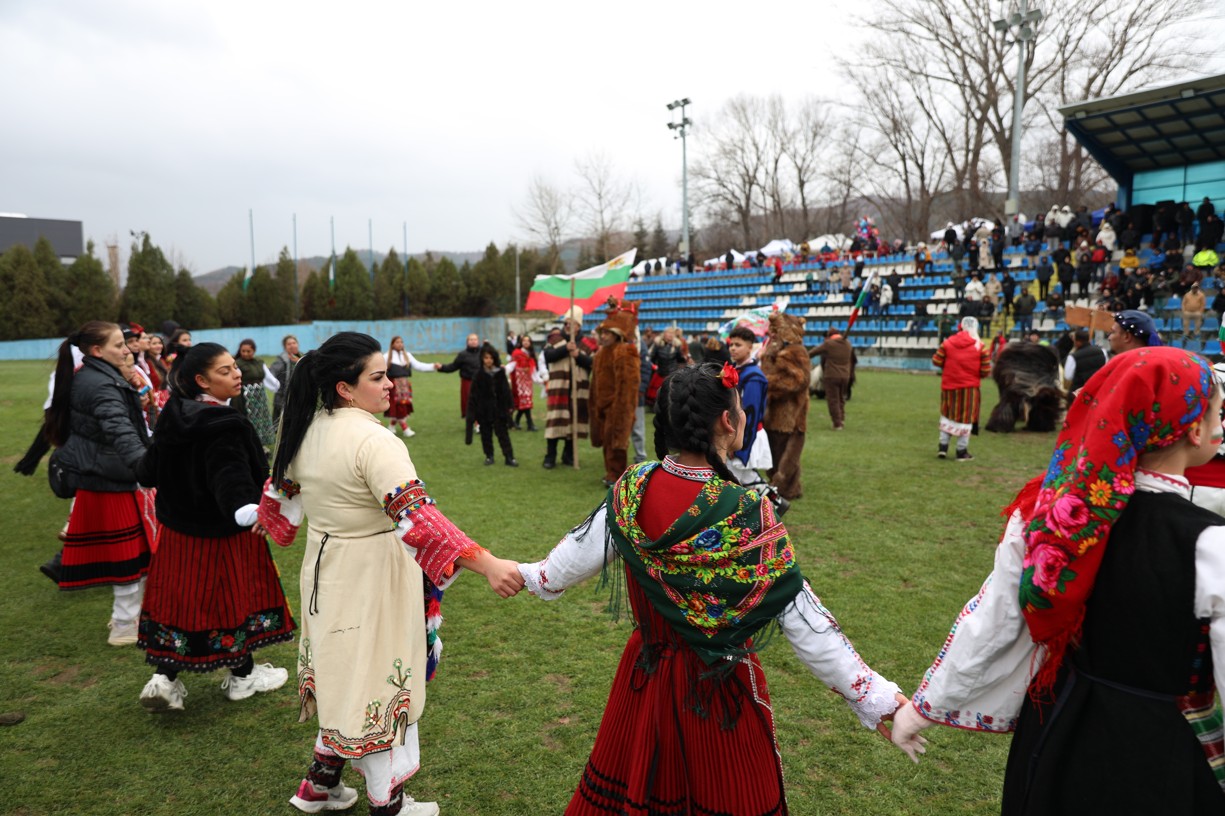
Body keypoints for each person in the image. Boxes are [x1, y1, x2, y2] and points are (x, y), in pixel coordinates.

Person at [516, 363, 907, 815]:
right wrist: (874, 696)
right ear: (727, 420)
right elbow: (804, 620)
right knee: (729, 794)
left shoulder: (631, 489)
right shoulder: (746, 512)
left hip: (644, 677)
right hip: (717, 689)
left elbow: (557, 570)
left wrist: (519, 573)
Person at [891, 347, 1225, 813]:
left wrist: (921, 709)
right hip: (1157, 748)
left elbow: (993, 623)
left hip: (1055, 729)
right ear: (1194, 429)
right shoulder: (1211, 544)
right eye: (1217, 412)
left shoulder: (1045, 515)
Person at [261, 332, 523, 816]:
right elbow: (417, 517)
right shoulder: (374, 440)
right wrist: (487, 563)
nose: (390, 384)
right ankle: (390, 804)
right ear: (344, 388)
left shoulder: (305, 428)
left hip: (325, 568)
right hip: (371, 574)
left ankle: (320, 784)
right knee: (377, 683)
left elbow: (279, 503)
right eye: (378, 377)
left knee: (345, 674)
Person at [135, 343, 295, 712]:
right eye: (225, 371)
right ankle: (242, 677)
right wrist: (248, 510)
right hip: (221, 532)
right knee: (229, 601)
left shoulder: (174, 413)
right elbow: (230, 477)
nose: (236, 374)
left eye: (234, 366)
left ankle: (166, 678)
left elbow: (147, 471)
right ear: (202, 381)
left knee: (181, 601)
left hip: (178, 533)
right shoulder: (225, 424)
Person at [42, 321, 154, 646]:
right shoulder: (101, 384)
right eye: (118, 345)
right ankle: (124, 625)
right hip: (111, 478)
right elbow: (118, 428)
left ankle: (133, 618)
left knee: (136, 555)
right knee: (127, 557)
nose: (126, 349)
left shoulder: (96, 376)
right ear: (96, 350)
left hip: (109, 473)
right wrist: (143, 465)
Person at [588, 300, 640, 487]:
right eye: (602, 332)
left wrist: (621, 411)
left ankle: (616, 475)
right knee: (606, 442)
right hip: (602, 405)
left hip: (616, 406)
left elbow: (627, 387)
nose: (603, 336)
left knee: (616, 442)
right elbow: (596, 381)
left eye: (607, 333)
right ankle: (610, 472)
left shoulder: (624, 351)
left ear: (616, 334)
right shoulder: (601, 353)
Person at [760, 312, 810, 500]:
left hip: (790, 413)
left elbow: (799, 381)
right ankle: (789, 488)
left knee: (785, 453)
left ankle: (784, 488)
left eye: (776, 330)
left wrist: (768, 382)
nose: (772, 334)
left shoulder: (795, 351)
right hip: (773, 411)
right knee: (774, 451)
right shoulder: (775, 350)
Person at [932, 316, 991, 461]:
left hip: (949, 386)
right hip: (969, 388)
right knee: (966, 418)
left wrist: (949, 366)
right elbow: (985, 371)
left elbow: (936, 360)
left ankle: (943, 447)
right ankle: (961, 451)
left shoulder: (947, 342)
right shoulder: (980, 346)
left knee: (947, 414)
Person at [543, 308, 591, 469]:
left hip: (578, 389)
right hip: (559, 388)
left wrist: (578, 355)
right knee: (555, 420)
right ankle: (550, 456)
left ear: (578, 326)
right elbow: (548, 356)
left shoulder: (586, 343)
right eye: (566, 323)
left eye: (571, 323)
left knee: (574, 423)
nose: (568, 326)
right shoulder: (555, 339)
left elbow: (592, 364)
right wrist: (565, 349)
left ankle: (568, 455)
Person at [467, 344, 518, 467]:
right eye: (486, 358)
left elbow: (506, 391)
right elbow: (473, 395)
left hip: (499, 409)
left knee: (503, 434)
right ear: (482, 359)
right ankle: (489, 456)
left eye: (491, 358)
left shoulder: (500, 372)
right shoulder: (478, 375)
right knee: (486, 434)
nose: (488, 360)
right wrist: (473, 412)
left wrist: (510, 406)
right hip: (484, 410)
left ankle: (509, 457)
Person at [231, 339, 280, 448]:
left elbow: (267, 377)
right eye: (243, 351)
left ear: (254, 351)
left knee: (260, 419)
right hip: (244, 397)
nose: (245, 353)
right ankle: (249, 443)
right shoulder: (237, 364)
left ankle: (261, 444)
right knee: (248, 419)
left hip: (259, 396)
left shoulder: (259, 362)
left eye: (248, 351)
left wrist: (277, 386)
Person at [435, 334, 482, 441]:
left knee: (482, 403)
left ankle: (480, 423)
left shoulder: (483, 353)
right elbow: (453, 366)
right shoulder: (462, 355)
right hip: (467, 382)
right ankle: (475, 423)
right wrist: (441, 367)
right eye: (471, 339)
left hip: (481, 382)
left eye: (475, 339)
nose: (473, 341)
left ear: (478, 341)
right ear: (467, 342)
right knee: (470, 404)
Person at [385, 336, 434, 438]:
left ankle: (391, 426)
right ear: (392, 344)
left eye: (401, 342)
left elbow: (419, 366)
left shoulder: (407, 355)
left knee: (403, 405)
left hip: (404, 385)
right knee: (399, 406)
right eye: (397, 342)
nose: (400, 344)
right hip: (393, 386)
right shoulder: (386, 356)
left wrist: (433, 366)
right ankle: (405, 428)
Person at [809, 327, 856, 431]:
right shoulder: (848, 343)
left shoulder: (829, 344)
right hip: (845, 376)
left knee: (833, 400)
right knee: (841, 399)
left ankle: (837, 423)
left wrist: (803, 356)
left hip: (831, 376)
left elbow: (813, 352)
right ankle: (841, 419)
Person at [508, 334, 538, 431]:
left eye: (528, 341)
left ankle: (514, 421)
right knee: (524, 401)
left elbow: (533, 369)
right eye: (524, 340)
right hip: (519, 381)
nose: (526, 342)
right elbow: (511, 366)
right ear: (521, 342)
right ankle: (529, 424)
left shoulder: (530, 354)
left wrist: (540, 380)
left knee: (525, 402)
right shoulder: (516, 353)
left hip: (527, 381)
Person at [1063, 328, 1107, 392]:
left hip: (1080, 391)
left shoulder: (1073, 357)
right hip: (1098, 389)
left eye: (1074, 340)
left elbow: (1068, 376)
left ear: (1077, 342)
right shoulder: (1102, 351)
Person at [270, 335, 302, 422]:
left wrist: (299, 361)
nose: (292, 345)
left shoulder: (302, 358)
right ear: (285, 347)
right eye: (289, 344)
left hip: (299, 398)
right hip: (283, 401)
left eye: (294, 343)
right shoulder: (281, 360)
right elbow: (272, 373)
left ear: (298, 344)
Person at [1182, 282, 1207, 347]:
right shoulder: (1187, 295)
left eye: (1196, 288)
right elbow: (1183, 303)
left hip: (1197, 312)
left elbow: (1203, 304)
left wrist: (1200, 312)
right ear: (1191, 288)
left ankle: (1197, 335)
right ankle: (1186, 335)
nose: (1195, 289)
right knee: (1185, 324)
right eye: (1193, 288)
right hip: (1188, 312)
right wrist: (1184, 311)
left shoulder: (1201, 295)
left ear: (1198, 288)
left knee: (1198, 324)